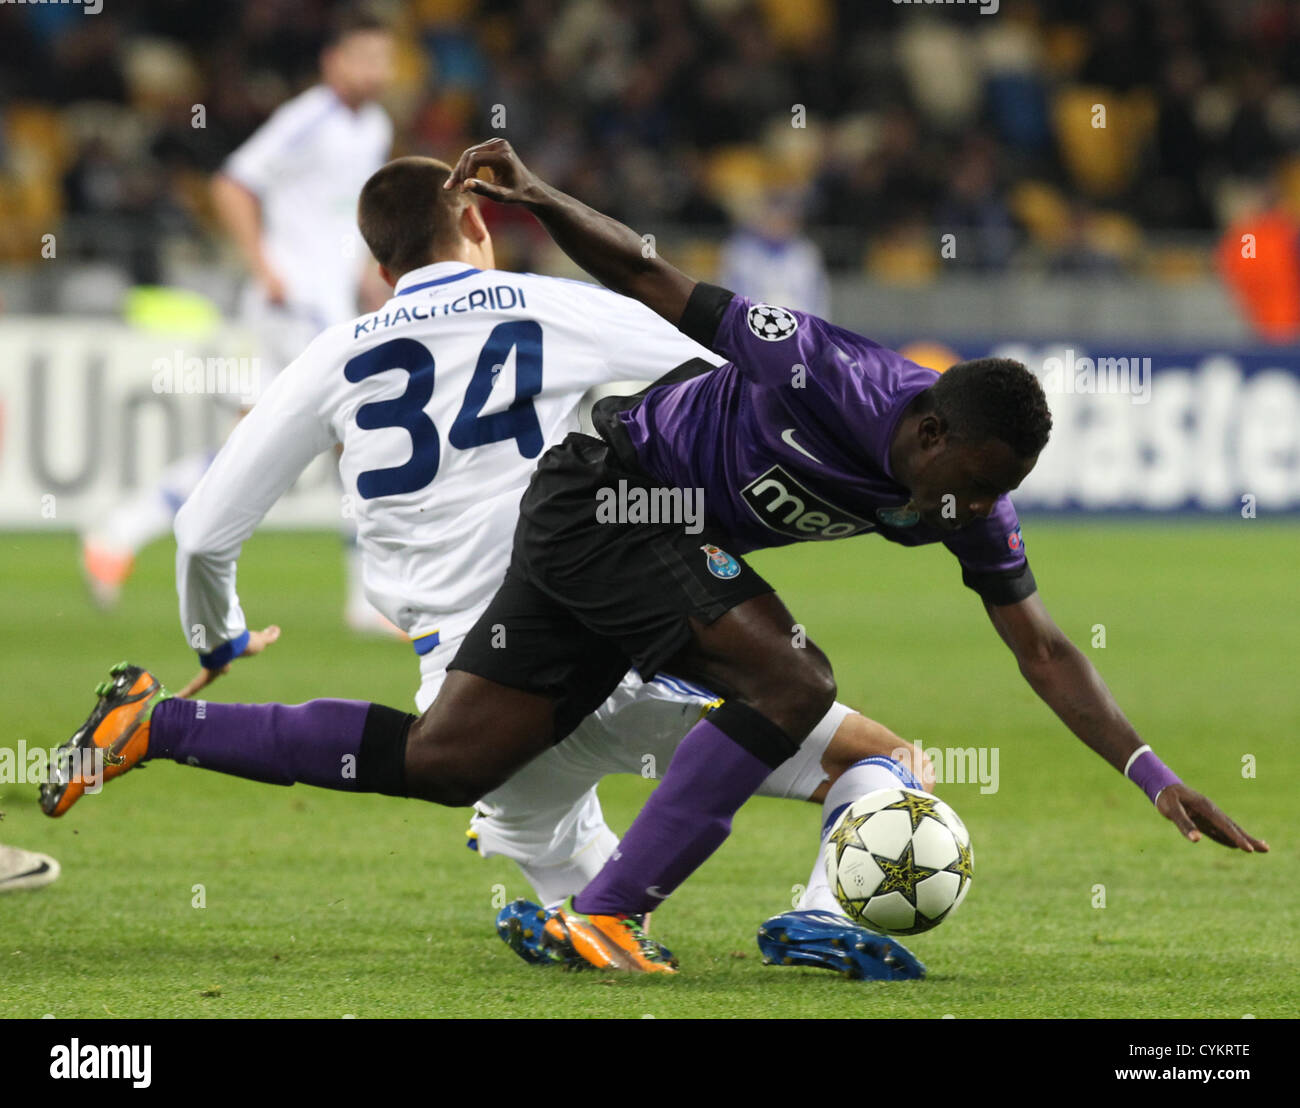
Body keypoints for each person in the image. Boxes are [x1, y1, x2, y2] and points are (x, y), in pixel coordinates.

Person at [47, 140, 1266, 978]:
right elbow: (650, 281)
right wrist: (540, 195)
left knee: (447, 758)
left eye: (996, 497)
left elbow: (1042, 645)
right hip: (613, 504)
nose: (979, 510)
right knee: (804, 692)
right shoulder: (826, 368)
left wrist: (1151, 772)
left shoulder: (962, 499)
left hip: (569, 551)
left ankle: (164, 728)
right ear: (931, 429)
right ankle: (616, 911)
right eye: (976, 483)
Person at [80, 5, 395, 634]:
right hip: (295, 303)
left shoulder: (375, 128)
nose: (376, 70)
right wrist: (264, 264)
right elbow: (232, 184)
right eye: (363, 57)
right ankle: (368, 599)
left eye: (383, 58)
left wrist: (367, 277)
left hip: (326, 302)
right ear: (332, 61)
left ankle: (119, 529)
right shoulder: (309, 119)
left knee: (256, 443)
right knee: (360, 432)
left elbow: (342, 215)